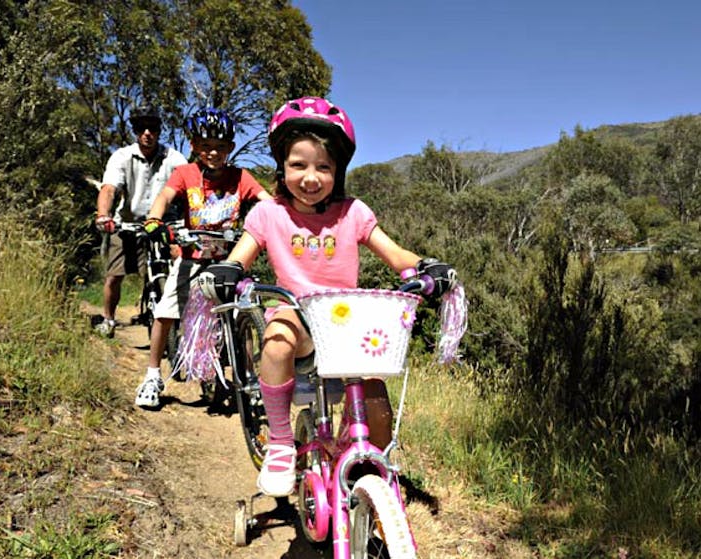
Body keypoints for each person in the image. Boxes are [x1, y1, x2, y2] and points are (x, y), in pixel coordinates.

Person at [201, 97, 456, 497]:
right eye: (298, 165)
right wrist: (230, 268)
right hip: (299, 312)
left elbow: (394, 254)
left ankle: (375, 463)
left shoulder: (352, 212)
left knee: (376, 389)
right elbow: (242, 254)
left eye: (323, 166)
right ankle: (282, 443)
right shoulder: (269, 214)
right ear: (281, 166)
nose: (310, 177)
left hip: (346, 320)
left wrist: (424, 266)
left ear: (338, 171)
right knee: (278, 336)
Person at [134, 107, 272, 409]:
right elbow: (165, 197)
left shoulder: (241, 177)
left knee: (243, 312)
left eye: (220, 147)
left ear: (230, 148)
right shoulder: (185, 173)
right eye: (205, 145)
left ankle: (247, 376)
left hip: (230, 260)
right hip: (191, 257)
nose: (213, 152)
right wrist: (154, 219)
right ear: (194, 145)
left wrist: (280, 216)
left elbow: (266, 202)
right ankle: (152, 374)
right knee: (167, 310)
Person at [95, 103, 187, 338]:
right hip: (129, 222)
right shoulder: (122, 156)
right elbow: (108, 189)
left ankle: (185, 323)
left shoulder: (174, 158)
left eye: (153, 128)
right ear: (135, 130)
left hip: (165, 224)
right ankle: (109, 319)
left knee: (183, 266)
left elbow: (191, 186)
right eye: (141, 128)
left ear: (159, 130)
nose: (147, 133)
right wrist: (103, 215)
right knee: (115, 274)